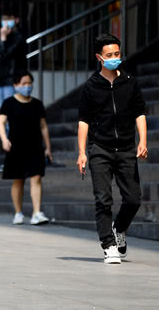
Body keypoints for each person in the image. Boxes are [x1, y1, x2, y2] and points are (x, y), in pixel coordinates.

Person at [77, 33, 147, 265]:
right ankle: (108, 246)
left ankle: (120, 228)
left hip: (126, 147)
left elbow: (139, 113)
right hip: (100, 148)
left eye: (117, 54)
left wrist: (142, 140)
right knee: (103, 199)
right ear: (99, 57)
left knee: (134, 199)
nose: (115, 58)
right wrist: (81, 152)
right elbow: (83, 121)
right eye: (110, 55)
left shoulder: (130, 81)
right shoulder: (90, 87)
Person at [0, 71, 52, 225]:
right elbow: (0, 122)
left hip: (35, 146)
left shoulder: (37, 104)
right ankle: (18, 212)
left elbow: (44, 127)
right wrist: (4, 139)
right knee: (18, 180)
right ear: (15, 85)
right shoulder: (8, 103)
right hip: (16, 146)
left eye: (29, 83)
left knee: (36, 178)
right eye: (23, 83)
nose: (27, 87)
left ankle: (36, 213)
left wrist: (48, 148)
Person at [0, 12, 27, 106]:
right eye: (3, 19)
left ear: (16, 20)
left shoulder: (19, 37)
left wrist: (3, 39)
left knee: (10, 114)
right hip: (3, 79)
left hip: (12, 79)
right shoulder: (6, 37)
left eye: (8, 19)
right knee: (3, 114)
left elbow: (6, 55)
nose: (5, 22)